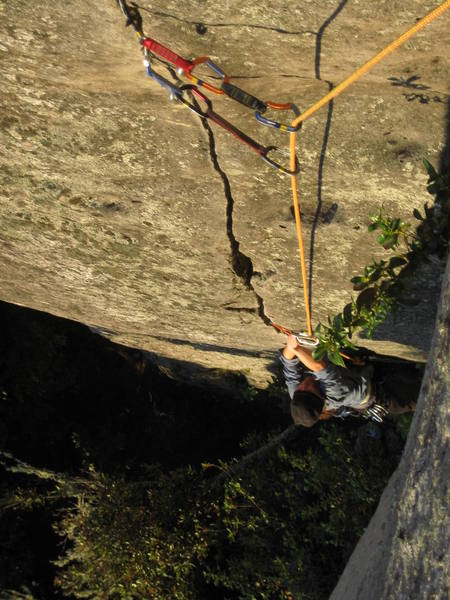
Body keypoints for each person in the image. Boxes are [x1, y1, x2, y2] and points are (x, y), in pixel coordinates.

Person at [280, 334, 415, 427]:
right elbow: (319, 366)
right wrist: (296, 348)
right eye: (308, 390)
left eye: (300, 389)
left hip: (362, 373)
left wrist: (290, 345)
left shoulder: (296, 395)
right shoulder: (334, 394)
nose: (303, 385)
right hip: (385, 395)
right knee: (425, 394)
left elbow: (288, 362)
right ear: (320, 397)